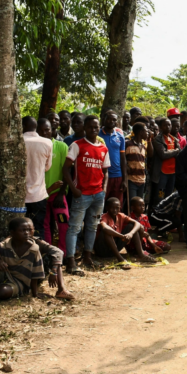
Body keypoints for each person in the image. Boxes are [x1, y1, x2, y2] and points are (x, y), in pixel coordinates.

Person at [0, 217, 74, 301]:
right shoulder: (5, 244)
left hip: (30, 275)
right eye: (23, 230)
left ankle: (61, 289)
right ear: (12, 233)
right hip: (7, 275)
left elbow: (58, 252)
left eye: (30, 230)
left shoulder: (36, 244)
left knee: (55, 258)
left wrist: (53, 271)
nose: (27, 233)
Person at [63, 115, 109, 275]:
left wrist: (104, 188)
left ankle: (88, 257)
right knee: (74, 228)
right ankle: (71, 262)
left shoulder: (103, 148)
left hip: (98, 195)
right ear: (85, 128)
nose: (93, 130)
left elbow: (105, 171)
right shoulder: (77, 145)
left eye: (96, 127)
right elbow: (65, 169)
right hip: (81, 195)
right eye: (90, 127)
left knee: (92, 226)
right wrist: (73, 189)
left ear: (99, 128)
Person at [36, 118, 70, 262]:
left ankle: (64, 253)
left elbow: (67, 171)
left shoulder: (61, 146)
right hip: (40, 195)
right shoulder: (34, 146)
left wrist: (61, 193)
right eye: (41, 130)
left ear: (52, 130)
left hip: (57, 195)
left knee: (63, 223)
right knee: (44, 225)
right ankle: (48, 254)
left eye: (47, 130)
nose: (44, 133)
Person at [94, 198, 155, 268]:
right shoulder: (104, 217)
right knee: (106, 232)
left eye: (117, 208)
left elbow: (138, 224)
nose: (115, 210)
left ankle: (141, 254)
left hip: (115, 248)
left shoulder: (121, 215)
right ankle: (120, 259)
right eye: (112, 208)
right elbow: (105, 228)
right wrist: (121, 236)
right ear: (107, 208)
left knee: (131, 226)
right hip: (102, 250)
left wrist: (130, 234)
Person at [22, 116, 53, 238]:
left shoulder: (17, 141)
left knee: (20, 228)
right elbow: (47, 167)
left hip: (20, 195)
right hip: (38, 195)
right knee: (38, 228)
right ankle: (39, 250)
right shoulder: (47, 142)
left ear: (22, 126)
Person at [151, 118, 181, 207]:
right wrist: (175, 151)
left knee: (169, 195)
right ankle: (157, 212)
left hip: (172, 172)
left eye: (169, 125)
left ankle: (166, 213)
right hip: (162, 173)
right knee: (160, 195)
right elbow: (163, 154)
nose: (168, 127)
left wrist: (173, 152)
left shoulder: (174, 139)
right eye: (165, 125)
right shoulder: (158, 139)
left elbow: (180, 153)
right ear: (160, 127)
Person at [99, 110, 127, 206]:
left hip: (117, 176)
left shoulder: (120, 137)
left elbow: (123, 159)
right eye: (109, 119)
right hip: (102, 176)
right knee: (101, 204)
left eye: (114, 120)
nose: (111, 121)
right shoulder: (98, 135)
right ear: (104, 119)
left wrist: (124, 179)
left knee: (116, 204)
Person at [125, 123, 149, 200]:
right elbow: (122, 158)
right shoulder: (128, 144)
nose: (148, 133)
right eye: (146, 131)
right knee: (133, 202)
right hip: (131, 180)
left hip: (142, 180)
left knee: (139, 202)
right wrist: (126, 166)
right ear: (141, 132)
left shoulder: (143, 146)